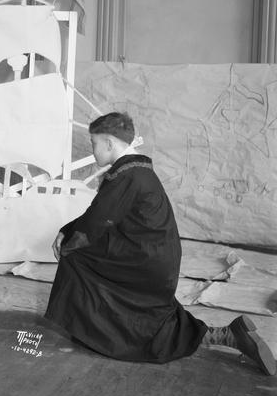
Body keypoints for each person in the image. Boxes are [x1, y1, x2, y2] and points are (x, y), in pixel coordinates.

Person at [45, 112, 276, 376]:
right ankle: (226, 335)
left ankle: (95, 331)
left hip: (145, 262)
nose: (93, 149)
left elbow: (97, 221)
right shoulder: (137, 170)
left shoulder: (127, 176)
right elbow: (100, 214)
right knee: (148, 311)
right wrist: (68, 229)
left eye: (94, 143)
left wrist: (67, 239)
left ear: (109, 143)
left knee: (75, 258)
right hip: (154, 259)